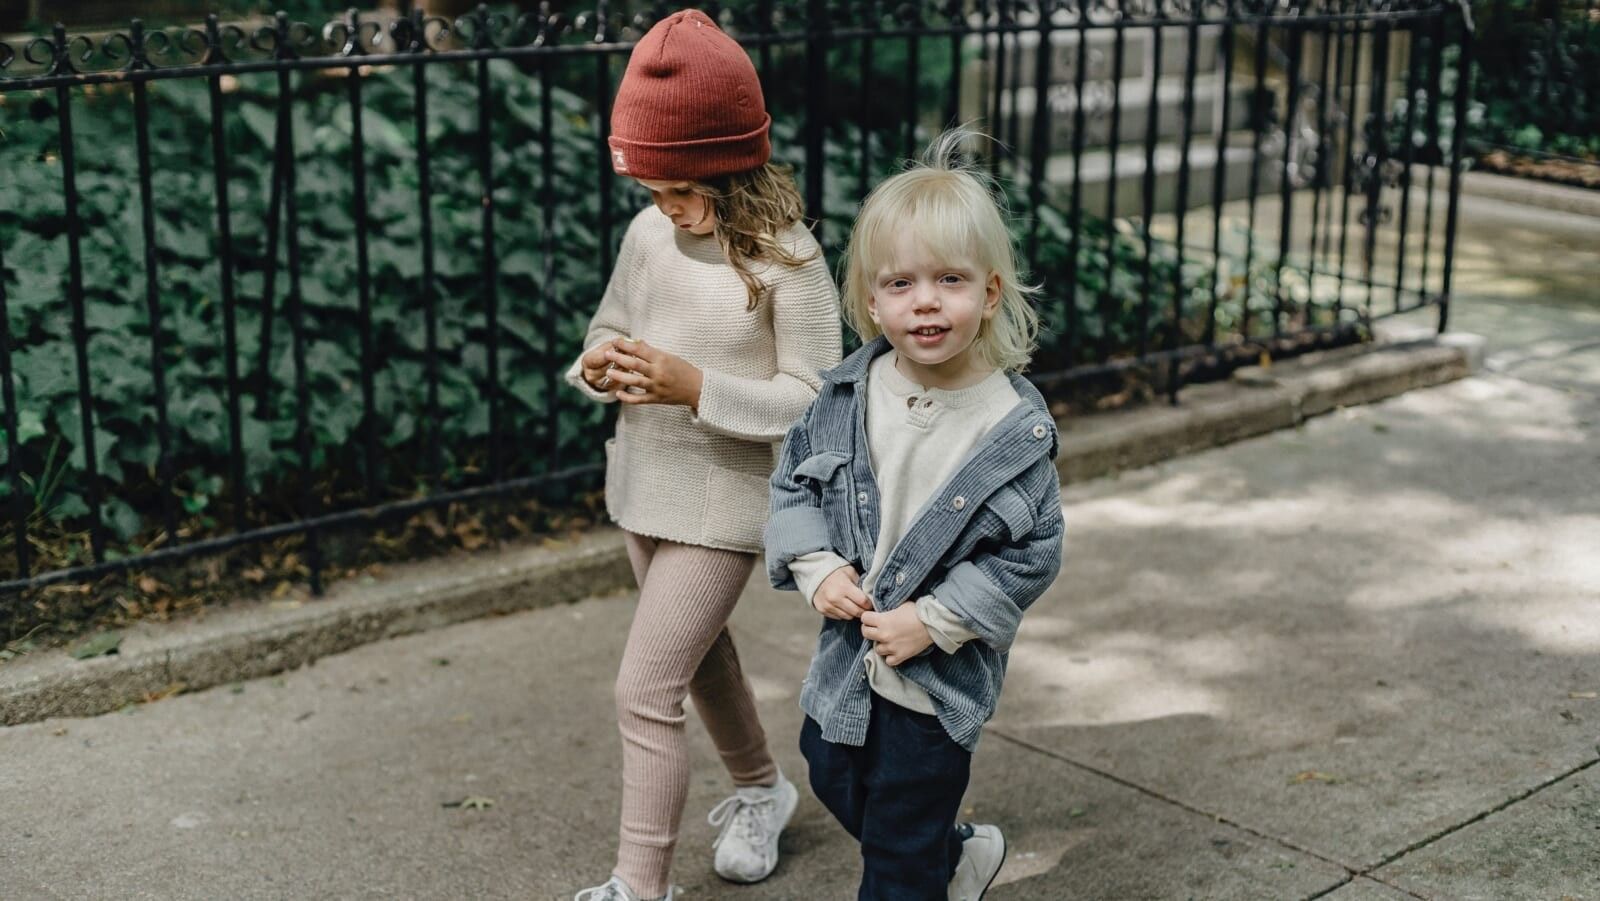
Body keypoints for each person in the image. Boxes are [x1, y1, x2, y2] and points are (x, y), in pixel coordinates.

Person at [564, 10, 842, 901]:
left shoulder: (788, 257)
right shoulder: (650, 236)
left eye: (682, 190)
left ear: (734, 168)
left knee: (643, 690)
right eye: (652, 190)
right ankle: (763, 790)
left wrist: (696, 387)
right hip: (644, 483)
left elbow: (816, 401)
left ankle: (636, 885)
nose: (667, 208)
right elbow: (609, 323)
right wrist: (597, 363)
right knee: (705, 656)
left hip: (727, 501)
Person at [765, 129, 1065, 901]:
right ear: (871, 300)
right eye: (899, 284)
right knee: (829, 767)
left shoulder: (1010, 429)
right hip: (846, 667)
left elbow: (1031, 550)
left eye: (950, 279)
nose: (924, 300)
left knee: (896, 856)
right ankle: (951, 858)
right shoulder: (845, 396)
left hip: (937, 679)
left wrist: (934, 619)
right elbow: (793, 486)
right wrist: (818, 565)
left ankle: (919, 869)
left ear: (990, 293)